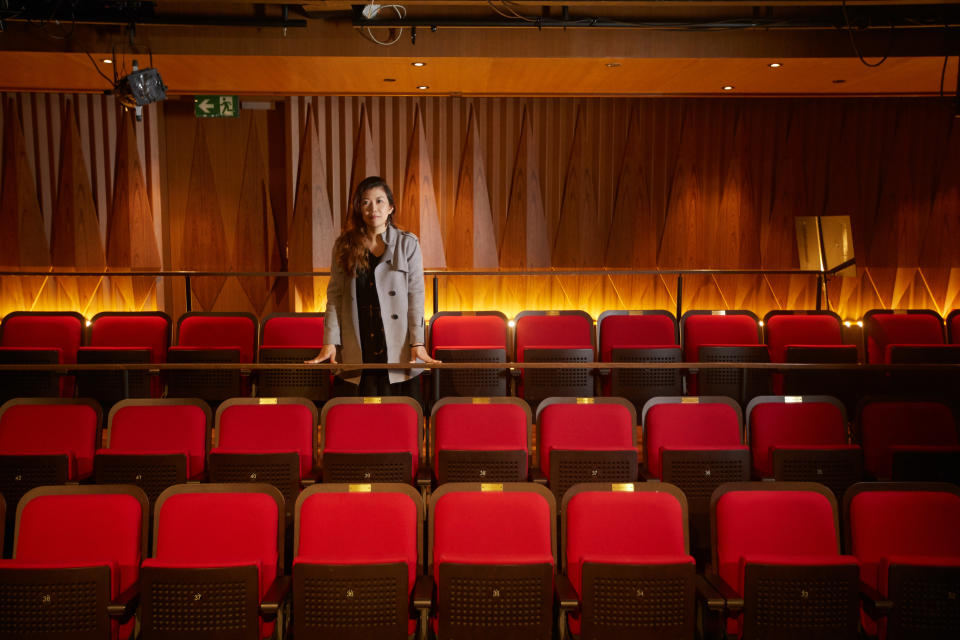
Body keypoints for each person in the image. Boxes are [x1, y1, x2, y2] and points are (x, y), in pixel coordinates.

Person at [306, 176, 438, 399]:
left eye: (379, 201)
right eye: (365, 202)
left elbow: (416, 296)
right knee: (359, 422)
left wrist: (418, 342)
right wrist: (330, 341)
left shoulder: (408, 243)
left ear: (390, 207)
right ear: (359, 208)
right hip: (358, 341)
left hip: (397, 343)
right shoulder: (344, 244)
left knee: (397, 418)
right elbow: (335, 296)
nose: (373, 208)